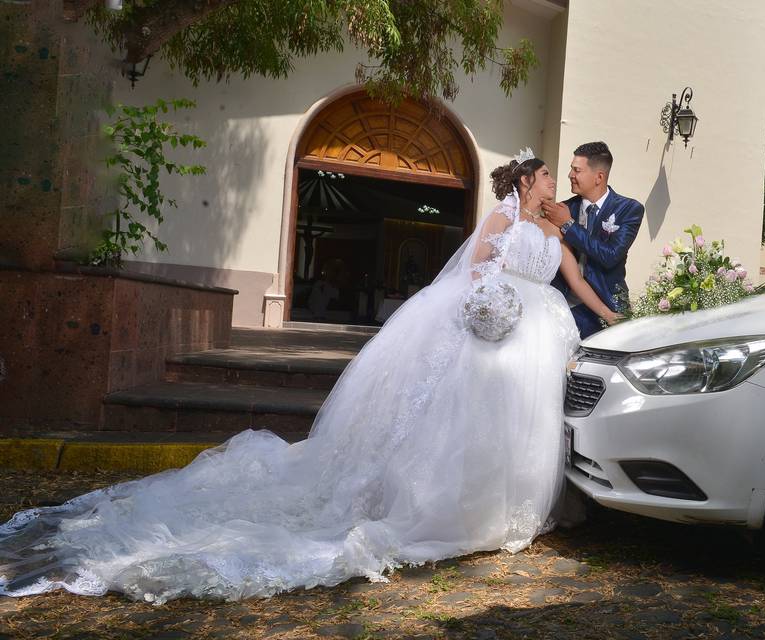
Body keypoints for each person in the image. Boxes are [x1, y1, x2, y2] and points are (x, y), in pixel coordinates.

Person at [0, 151, 620, 604]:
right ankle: (460, 506)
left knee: (523, 422)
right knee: (470, 420)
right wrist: (490, 302)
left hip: (539, 333)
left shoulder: (554, 229)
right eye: (546, 175)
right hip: (495, 325)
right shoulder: (499, 222)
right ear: (528, 181)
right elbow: (472, 271)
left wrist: (610, 315)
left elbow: (577, 282)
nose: (553, 182)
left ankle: (514, 508)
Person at [544, 141, 644, 338]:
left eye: (577, 170)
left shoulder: (630, 209)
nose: (570, 175)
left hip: (610, 307)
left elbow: (610, 256)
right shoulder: (562, 209)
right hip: (565, 307)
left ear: (599, 177)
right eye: (571, 169)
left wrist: (569, 225)